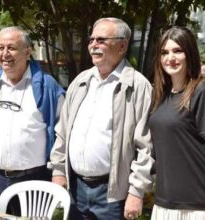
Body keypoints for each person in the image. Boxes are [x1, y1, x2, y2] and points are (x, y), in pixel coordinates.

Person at [49, 17, 154, 220]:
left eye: (101, 40)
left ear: (122, 45)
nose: (93, 45)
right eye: (91, 40)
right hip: (76, 189)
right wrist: (58, 170)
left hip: (112, 194)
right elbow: (62, 132)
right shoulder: (80, 81)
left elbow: (146, 147)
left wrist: (136, 191)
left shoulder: (138, 86)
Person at [0, 26, 65, 212]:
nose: (4, 54)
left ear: (27, 52)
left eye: (11, 48)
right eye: (0, 48)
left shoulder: (48, 87)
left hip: (33, 179)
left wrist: (59, 172)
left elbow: (63, 133)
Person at [149, 26, 205, 220]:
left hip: (199, 207)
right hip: (165, 204)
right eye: (164, 52)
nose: (170, 58)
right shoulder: (161, 96)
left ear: (190, 53)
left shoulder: (204, 93)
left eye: (178, 51)